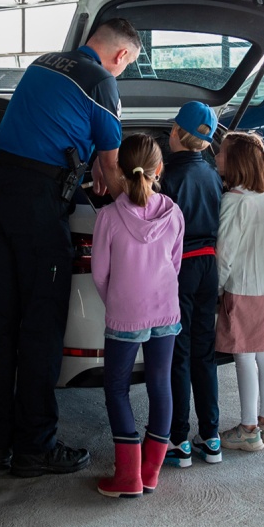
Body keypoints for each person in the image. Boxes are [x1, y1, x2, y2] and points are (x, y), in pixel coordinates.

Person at [0, 18, 141, 477]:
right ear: (121, 55)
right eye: (127, 64)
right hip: (36, 204)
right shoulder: (102, 81)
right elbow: (112, 170)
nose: (122, 71)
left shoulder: (44, 63)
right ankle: (35, 447)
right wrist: (142, 213)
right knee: (40, 327)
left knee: (1, 325)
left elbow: (54, 129)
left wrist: (87, 164)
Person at [91, 133, 185, 498]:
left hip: (126, 313)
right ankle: (150, 472)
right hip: (166, 310)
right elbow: (174, 264)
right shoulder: (173, 213)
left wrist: (117, 301)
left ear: (119, 170)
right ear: (159, 169)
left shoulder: (108, 217)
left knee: (117, 388)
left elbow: (100, 274)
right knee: (161, 384)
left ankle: (127, 476)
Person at [214, 132, 264, 452]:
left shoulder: (234, 200)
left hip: (244, 286)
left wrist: (217, 286)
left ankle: (247, 428)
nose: (217, 157)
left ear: (236, 162)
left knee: (243, 355)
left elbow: (225, 252)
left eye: (221, 153)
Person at [160, 102, 224, 467]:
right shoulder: (212, 173)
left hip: (180, 267)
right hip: (208, 265)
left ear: (175, 132)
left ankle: (178, 440)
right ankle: (211, 437)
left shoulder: (169, 176)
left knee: (179, 353)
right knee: (204, 352)